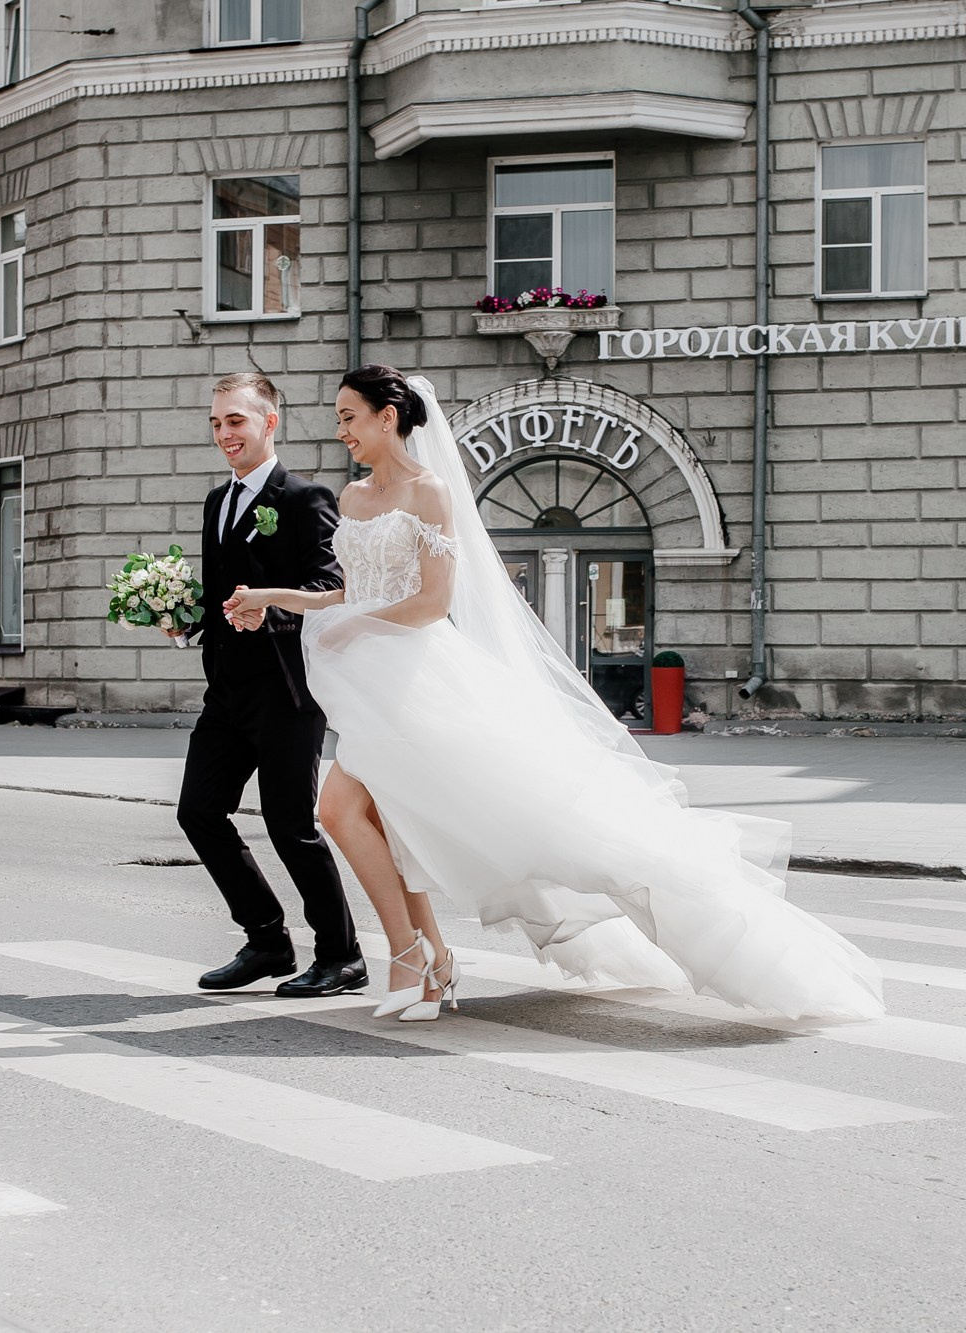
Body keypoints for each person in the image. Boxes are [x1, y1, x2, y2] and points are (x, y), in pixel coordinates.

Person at [223, 366, 884, 1023]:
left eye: (349, 417)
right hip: (371, 680)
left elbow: (431, 603)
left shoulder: (429, 494)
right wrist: (271, 599)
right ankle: (431, 961)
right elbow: (350, 591)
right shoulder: (354, 497)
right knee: (390, 824)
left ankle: (413, 956)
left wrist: (355, 626)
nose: (340, 431)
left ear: (387, 417)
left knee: (346, 811)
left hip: (415, 679)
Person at [168, 372, 367, 998]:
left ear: (269, 423)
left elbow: (330, 589)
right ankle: (267, 939)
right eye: (217, 423)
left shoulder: (305, 499)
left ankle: (343, 955)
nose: (225, 434)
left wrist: (269, 609)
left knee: (291, 826)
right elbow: (220, 592)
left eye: (236, 421)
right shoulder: (215, 502)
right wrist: (181, 618)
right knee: (198, 812)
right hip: (226, 690)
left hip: (287, 690)